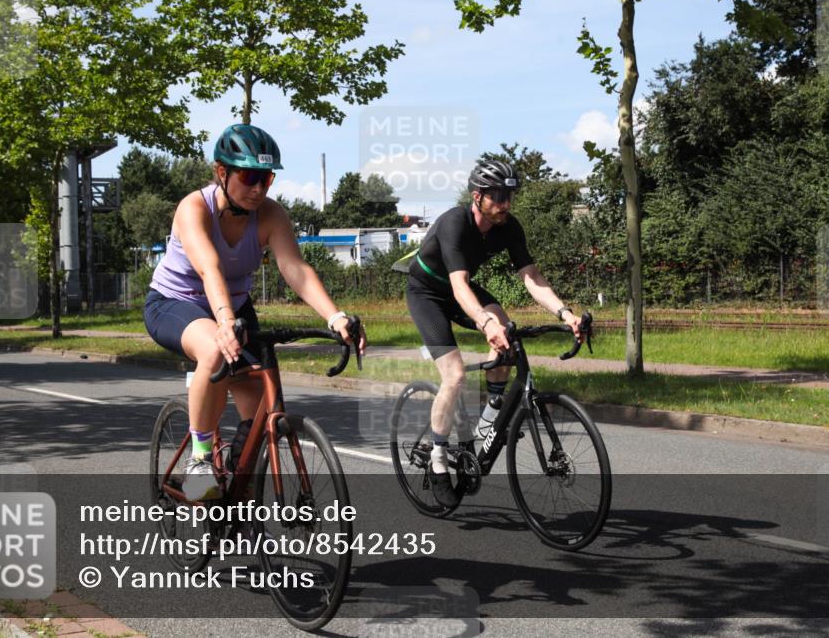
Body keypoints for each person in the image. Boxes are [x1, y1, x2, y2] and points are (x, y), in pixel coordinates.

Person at [144, 123, 366, 501]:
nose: (259, 188)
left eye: (266, 178)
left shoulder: (270, 214)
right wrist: (225, 323)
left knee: (261, 407)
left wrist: (335, 316)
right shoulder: (193, 208)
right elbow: (208, 267)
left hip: (236, 307)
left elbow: (295, 268)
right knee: (214, 350)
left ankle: (237, 494)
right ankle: (199, 461)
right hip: (176, 302)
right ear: (221, 173)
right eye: (249, 177)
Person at [404, 159, 583, 508]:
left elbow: (531, 276)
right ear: (477, 196)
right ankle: (439, 460)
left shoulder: (508, 227)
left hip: (463, 290)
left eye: (509, 195)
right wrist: (486, 324)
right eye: (498, 196)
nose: (505, 203)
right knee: (454, 375)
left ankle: (491, 414)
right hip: (428, 293)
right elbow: (458, 285)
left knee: (506, 331)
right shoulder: (454, 223)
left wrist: (565, 313)